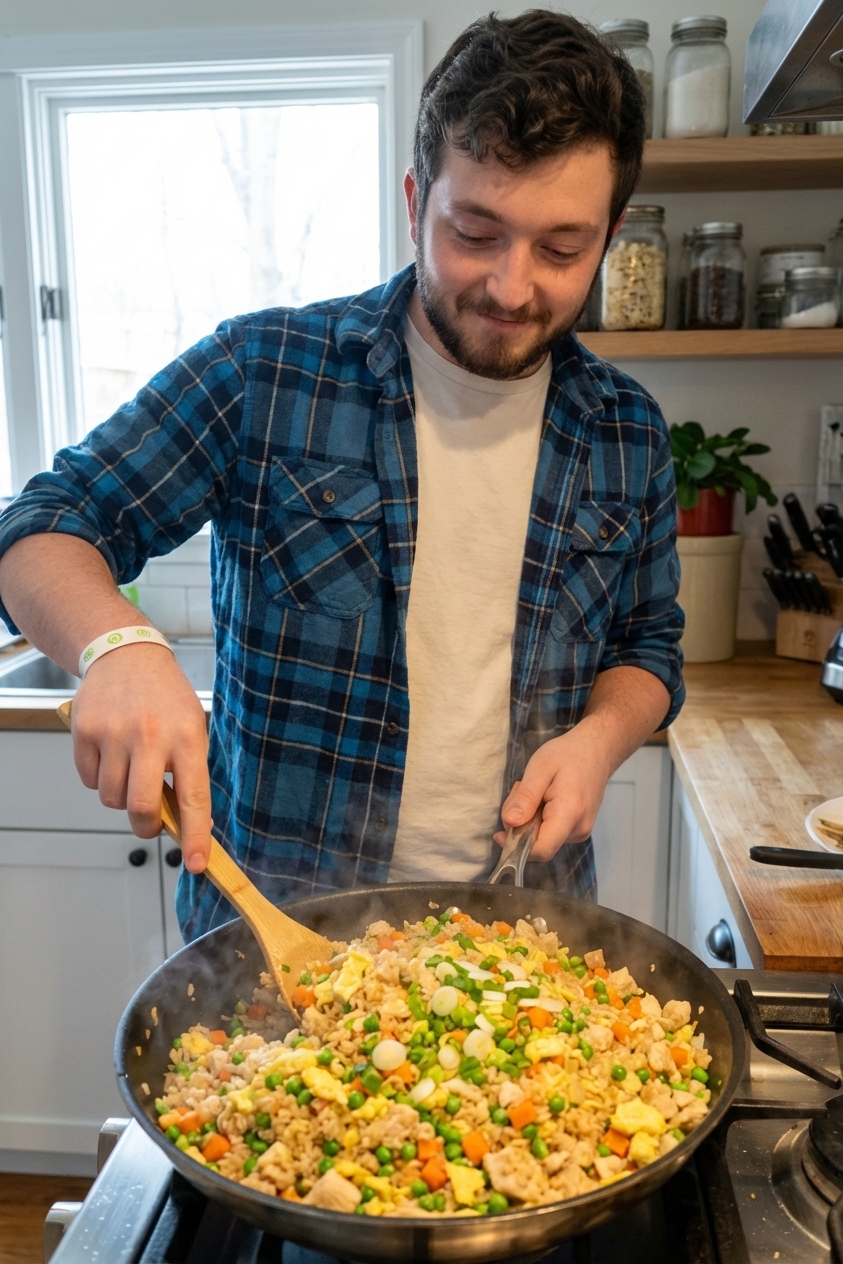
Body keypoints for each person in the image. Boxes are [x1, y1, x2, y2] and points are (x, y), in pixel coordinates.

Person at [0, 10, 683, 944]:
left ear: (606, 235)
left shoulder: (626, 429)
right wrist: (117, 646)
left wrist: (600, 740)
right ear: (414, 202)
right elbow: (43, 522)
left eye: (561, 249)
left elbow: (647, 646)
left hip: (521, 939)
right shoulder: (266, 371)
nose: (512, 287)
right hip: (278, 940)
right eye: (474, 233)